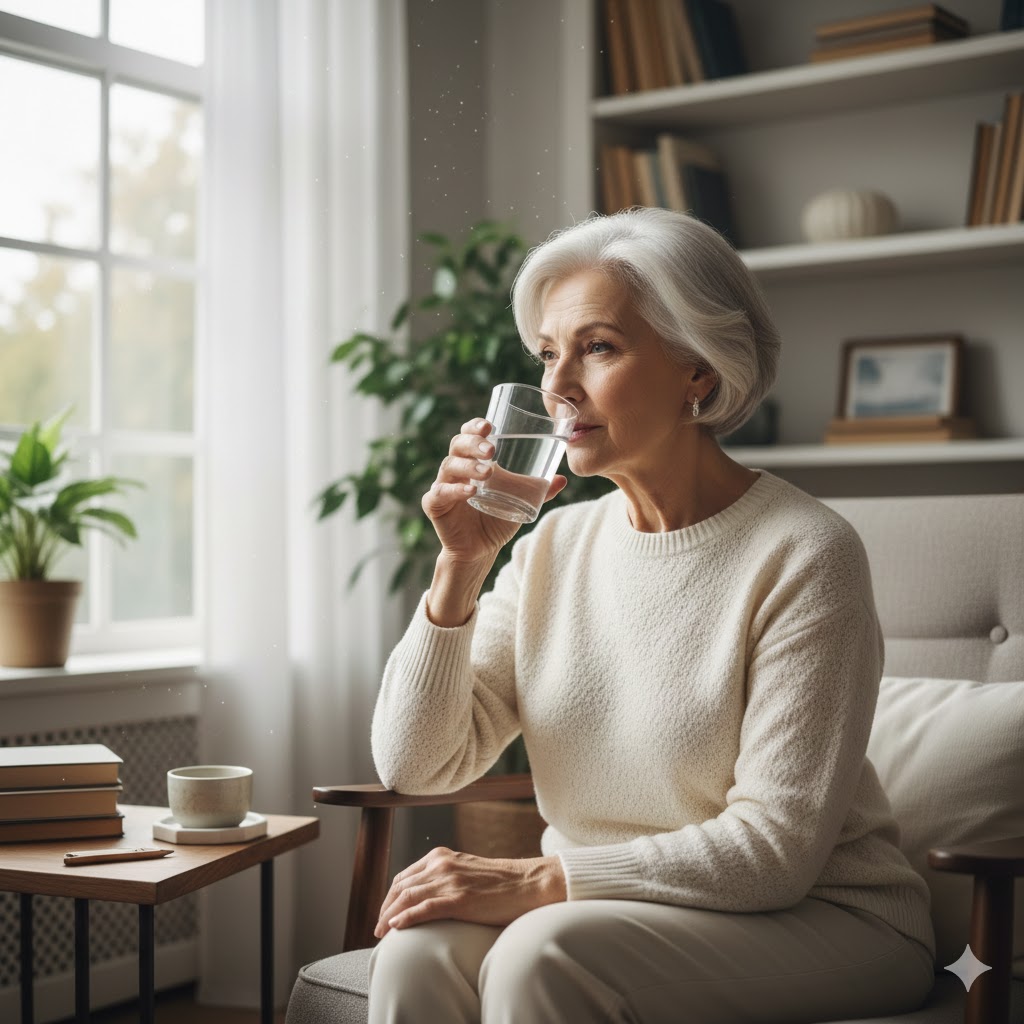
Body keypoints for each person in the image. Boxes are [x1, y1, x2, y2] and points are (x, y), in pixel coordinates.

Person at [366, 207, 935, 1024]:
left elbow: (773, 855)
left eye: (597, 347)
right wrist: (461, 563)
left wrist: (540, 881)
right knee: (416, 948)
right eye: (547, 355)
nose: (558, 386)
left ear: (697, 370)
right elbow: (414, 768)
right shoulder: (549, 547)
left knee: (540, 953)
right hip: (604, 910)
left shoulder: (806, 552)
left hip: (828, 920)